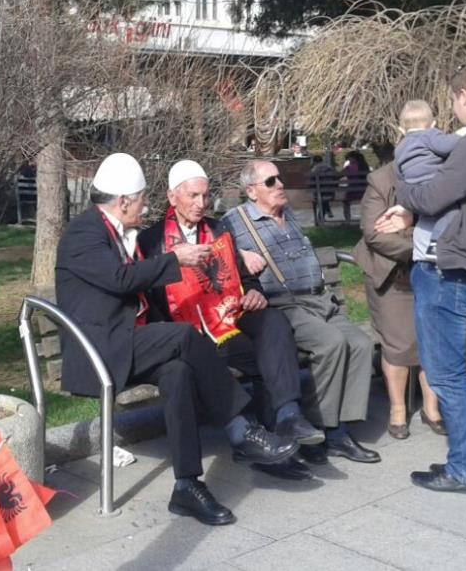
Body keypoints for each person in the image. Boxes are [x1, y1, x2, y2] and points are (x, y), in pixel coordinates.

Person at [55, 153, 298, 526]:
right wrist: (175, 259)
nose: (145, 206)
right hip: (100, 349)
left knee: (178, 371)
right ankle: (240, 430)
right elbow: (119, 280)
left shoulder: (115, 231)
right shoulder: (84, 232)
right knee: (184, 337)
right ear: (122, 202)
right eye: (139, 200)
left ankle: (186, 486)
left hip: (126, 339)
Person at [374, 65, 466, 494]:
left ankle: (465, 470)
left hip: (445, 270)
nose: (454, 112)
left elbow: (435, 193)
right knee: (449, 372)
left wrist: (404, 198)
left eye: (454, 102)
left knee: (445, 374)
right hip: (460, 267)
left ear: (464, 96)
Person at [139, 160, 325, 481]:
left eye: (206, 196)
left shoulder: (218, 228)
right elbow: (150, 300)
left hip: (227, 321)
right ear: (172, 197)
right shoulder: (151, 241)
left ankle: (287, 418)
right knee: (260, 354)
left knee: (272, 325)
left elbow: (238, 272)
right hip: (187, 336)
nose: (201, 204)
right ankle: (269, 449)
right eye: (193, 196)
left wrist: (253, 292)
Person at [222, 160, 380, 465]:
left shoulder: (288, 214)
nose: (280, 185)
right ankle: (325, 430)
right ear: (251, 191)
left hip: (320, 299)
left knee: (360, 345)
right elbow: (212, 247)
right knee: (331, 343)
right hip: (284, 304)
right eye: (270, 182)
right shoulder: (234, 221)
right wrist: (239, 254)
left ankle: (335, 429)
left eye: (279, 179)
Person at [355, 154, 443, 440]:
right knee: (398, 343)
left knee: (431, 338)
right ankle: (397, 411)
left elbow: (448, 226)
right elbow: (375, 234)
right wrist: (421, 243)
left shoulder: (438, 175)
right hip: (388, 272)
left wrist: (411, 233)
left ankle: (432, 409)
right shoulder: (380, 180)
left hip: (426, 270)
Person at [392, 99, 466, 267]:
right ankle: (436, 243)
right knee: (450, 212)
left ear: (401, 129)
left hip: (414, 187)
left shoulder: (400, 147)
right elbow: (446, 146)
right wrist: (461, 134)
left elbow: (398, 170)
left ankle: (432, 241)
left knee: (430, 215)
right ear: (433, 124)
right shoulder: (430, 135)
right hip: (432, 183)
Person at [341, 150, 370, 221]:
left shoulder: (349, 168)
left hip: (353, 191)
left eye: (348, 159)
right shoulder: (365, 167)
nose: (348, 161)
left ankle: (348, 220)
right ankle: (367, 219)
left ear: (353, 158)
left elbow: (337, 176)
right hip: (364, 191)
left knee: (345, 202)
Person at [309, 154, 338, 221]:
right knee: (324, 199)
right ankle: (326, 212)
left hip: (319, 193)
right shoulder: (329, 167)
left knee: (320, 197)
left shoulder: (314, 169)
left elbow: (311, 182)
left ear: (314, 162)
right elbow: (336, 178)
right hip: (330, 192)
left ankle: (321, 217)